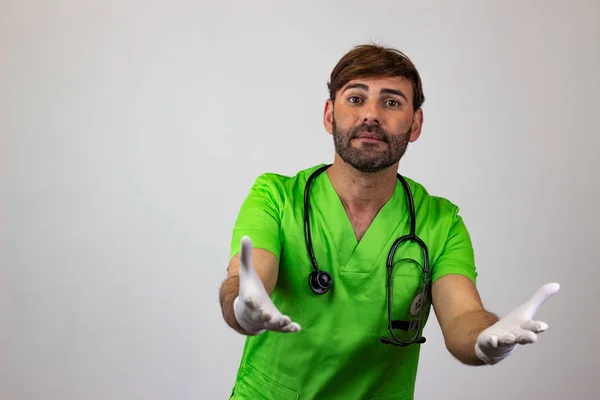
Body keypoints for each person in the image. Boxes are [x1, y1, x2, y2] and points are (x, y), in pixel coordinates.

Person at [218, 43, 559, 399]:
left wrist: (487, 339)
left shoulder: (440, 222)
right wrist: (243, 305)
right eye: (355, 99)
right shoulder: (275, 197)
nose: (371, 115)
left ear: (415, 124)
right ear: (328, 115)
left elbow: (463, 317)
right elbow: (250, 277)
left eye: (392, 102)